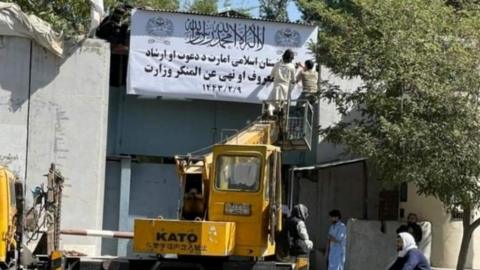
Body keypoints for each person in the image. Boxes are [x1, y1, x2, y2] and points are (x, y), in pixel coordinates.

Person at [268, 49, 296, 116]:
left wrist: (271, 78)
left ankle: (271, 113)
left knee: (273, 102)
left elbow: (271, 75)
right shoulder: (291, 66)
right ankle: (282, 117)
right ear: (291, 58)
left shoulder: (277, 64)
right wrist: (294, 82)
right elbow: (293, 79)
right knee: (284, 104)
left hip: (276, 86)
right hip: (285, 87)